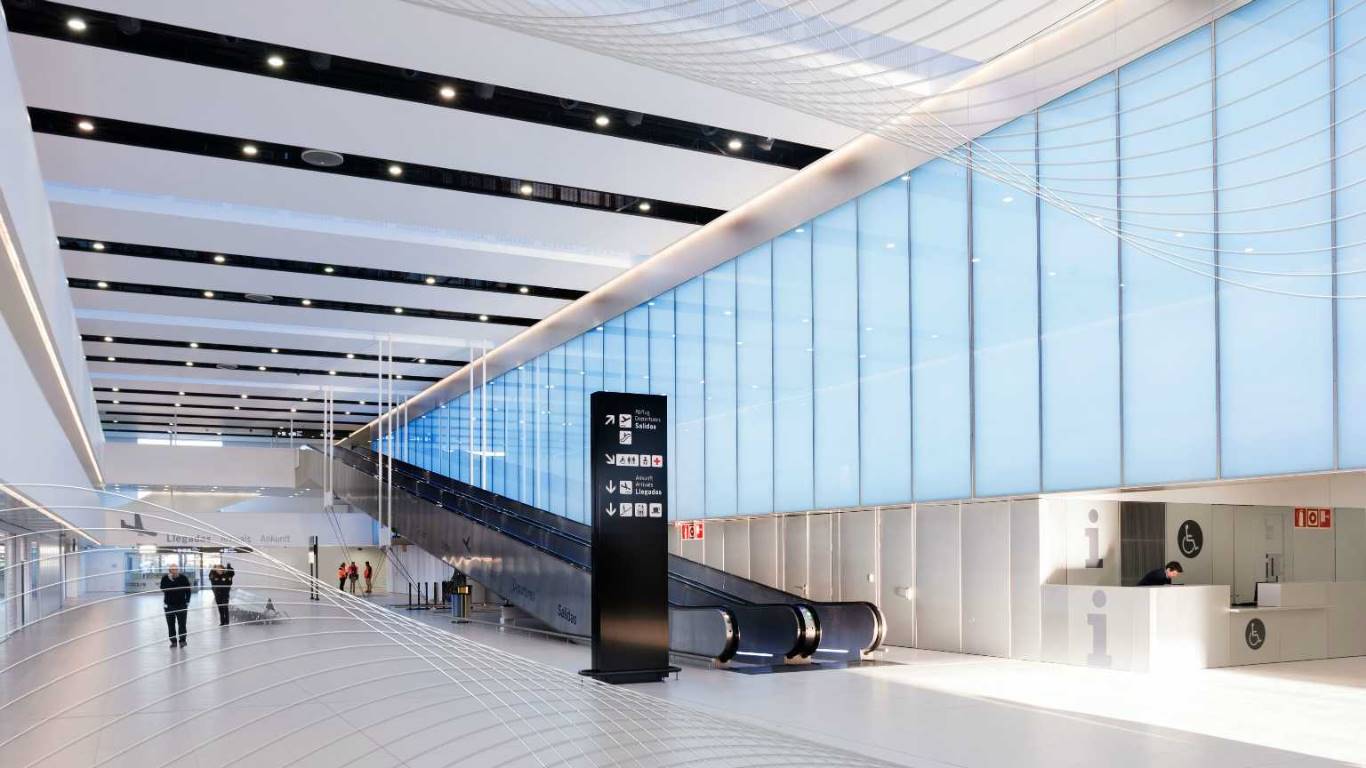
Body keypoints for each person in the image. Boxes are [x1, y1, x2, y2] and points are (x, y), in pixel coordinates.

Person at [160, 563, 193, 648]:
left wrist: (187, 601)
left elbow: (188, 590)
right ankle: (173, 641)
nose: (174, 571)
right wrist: (170, 580)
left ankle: (182, 641)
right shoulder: (165, 578)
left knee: (182, 624)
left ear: (178, 570)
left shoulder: (183, 578)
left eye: (176, 569)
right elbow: (163, 589)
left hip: (181, 604)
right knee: (171, 624)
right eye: (172, 569)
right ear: (169, 570)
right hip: (169, 605)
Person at [208, 561, 235, 626]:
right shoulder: (214, 576)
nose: (219, 570)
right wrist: (213, 569)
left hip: (225, 595)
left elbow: (231, 573)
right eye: (217, 569)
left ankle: (227, 622)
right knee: (220, 608)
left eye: (220, 569)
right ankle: (222, 622)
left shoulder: (226, 575)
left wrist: (229, 567)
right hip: (217, 595)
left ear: (223, 570)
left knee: (225, 607)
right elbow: (210, 575)